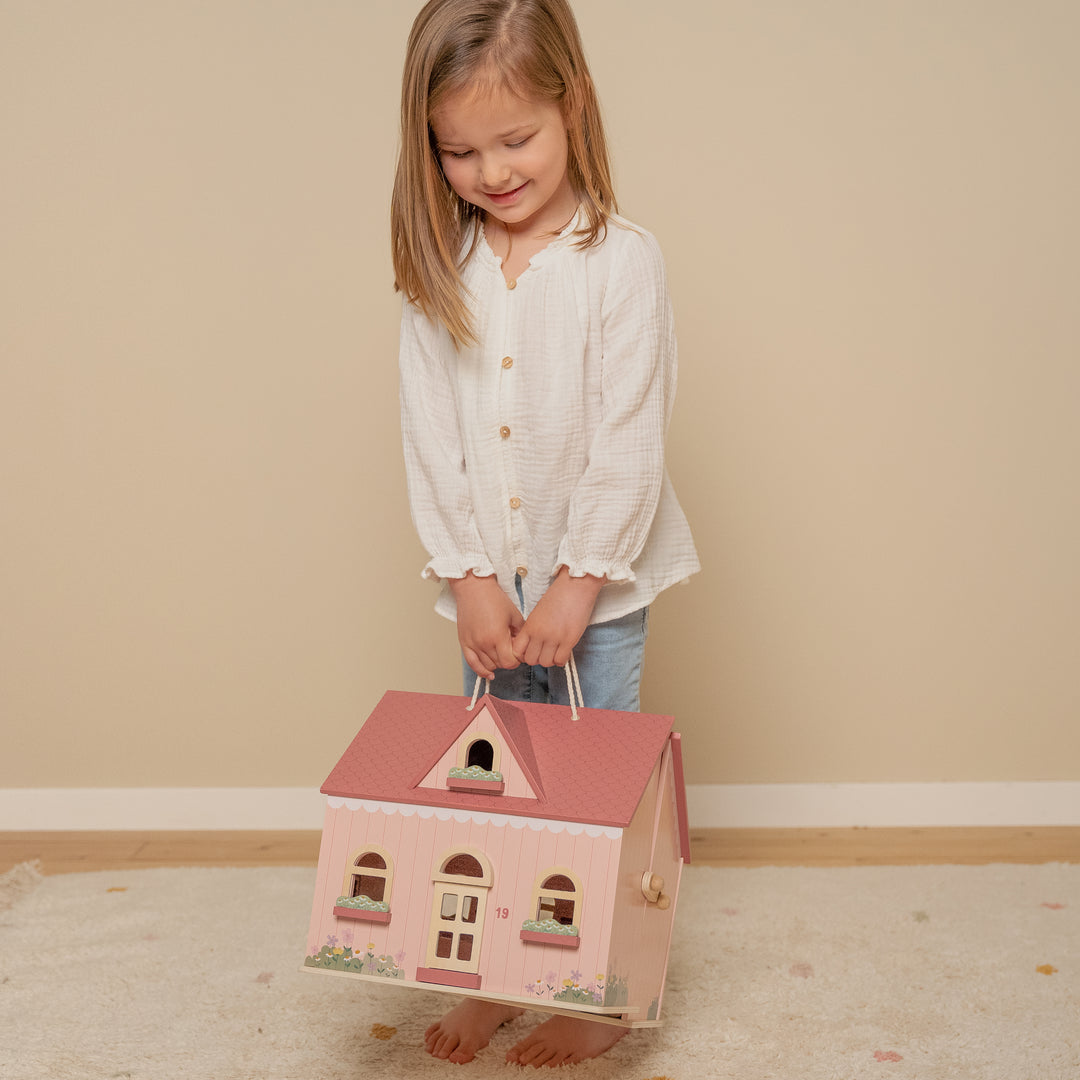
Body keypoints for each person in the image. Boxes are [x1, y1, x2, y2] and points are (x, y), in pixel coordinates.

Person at [391, 0, 700, 1067]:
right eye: (461, 151)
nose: (491, 170)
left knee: (587, 794)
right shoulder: (444, 272)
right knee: (494, 789)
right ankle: (493, 977)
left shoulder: (621, 262)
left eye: (515, 139)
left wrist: (580, 580)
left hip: (595, 587)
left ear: (572, 107)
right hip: (491, 591)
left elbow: (628, 435)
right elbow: (432, 437)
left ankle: (595, 989)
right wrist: (471, 576)